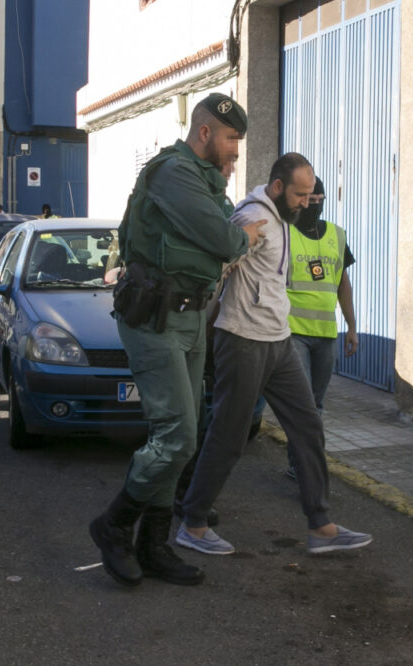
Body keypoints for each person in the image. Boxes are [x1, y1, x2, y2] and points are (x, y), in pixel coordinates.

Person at [87, 93, 263, 588]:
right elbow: (228, 240)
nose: (234, 151)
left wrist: (234, 225)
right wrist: (244, 237)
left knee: (189, 434)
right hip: (155, 319)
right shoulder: (174, 172)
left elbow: (223, 233)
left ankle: (154, 545)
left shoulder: (206, 178)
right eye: (230, 139)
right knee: (176, 436)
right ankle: (115, 525)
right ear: (204, 132)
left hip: (190, 317)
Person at [177, 153, 372, 556]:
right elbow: (217, 267)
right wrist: (199, 327)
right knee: (229, 436)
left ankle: (322, 526)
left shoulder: (285, 218)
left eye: (311, 194)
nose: (307, 202)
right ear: (279, 187)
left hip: (278, 340)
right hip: (243, 340)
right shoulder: (252, 217)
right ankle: (193, 524)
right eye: (301, 194)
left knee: (308, 425)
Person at [275, 176, 357, 478]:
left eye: (318, 198)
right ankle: (304, 467)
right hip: (293, 333)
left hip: (325, 335)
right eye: (308, 198)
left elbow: (342, 284)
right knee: (305, 404)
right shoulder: (284, 233)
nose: (314, 204)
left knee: (317, 403)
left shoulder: (336, 234)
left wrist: (351, 326)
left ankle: (303, 461)